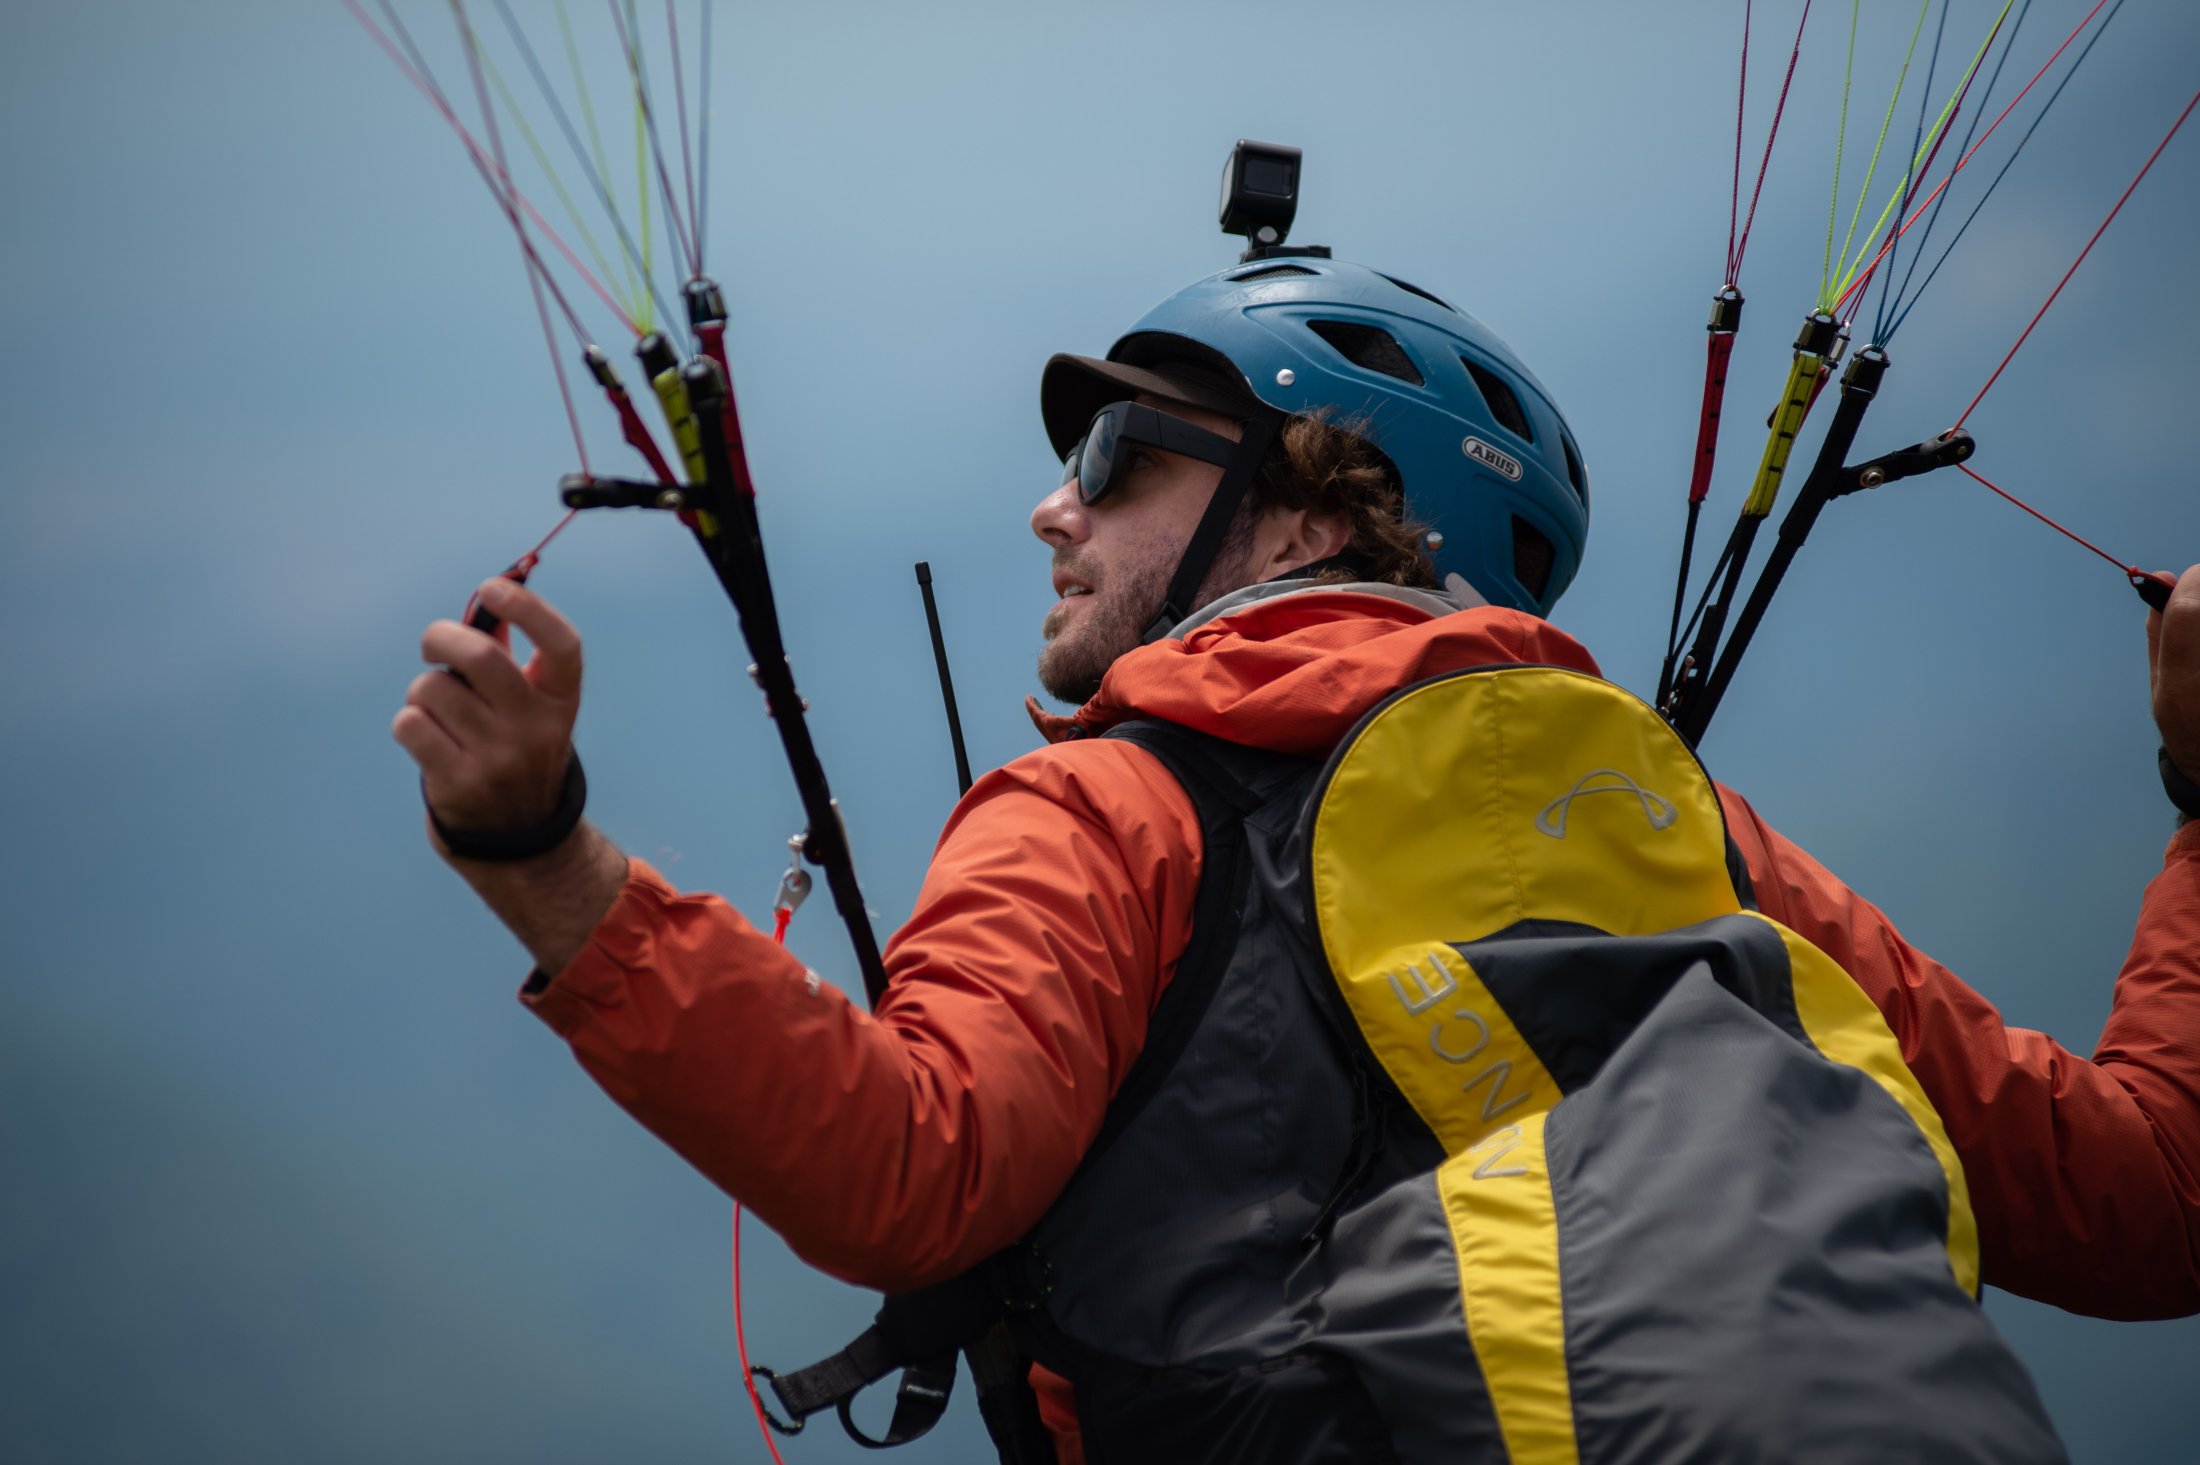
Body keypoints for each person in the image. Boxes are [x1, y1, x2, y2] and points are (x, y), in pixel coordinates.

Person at [395, 257, 2200, 1463]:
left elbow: (909, 1168)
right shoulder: (1692, 834)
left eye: (1117, 452)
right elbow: (2149, 1197)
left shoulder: (1113, 808)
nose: (1053, 503)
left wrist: (541, 852)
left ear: (1320, 507)